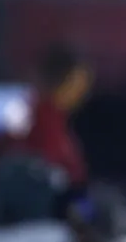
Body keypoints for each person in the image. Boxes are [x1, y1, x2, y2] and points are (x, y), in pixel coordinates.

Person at [6, 42, 92, 195]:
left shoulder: (58, 119)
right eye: (78, 85)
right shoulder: (36, 115)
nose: (82, 93)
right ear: (62, 81)